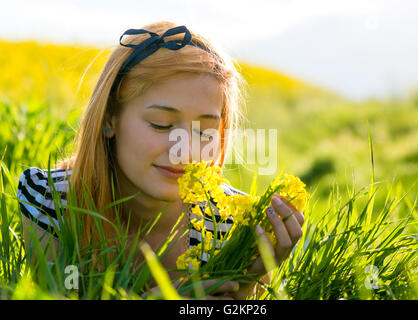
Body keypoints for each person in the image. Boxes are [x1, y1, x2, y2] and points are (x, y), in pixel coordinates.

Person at [17, 21, 305, 299]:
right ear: (109, 119)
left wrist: (244, 286)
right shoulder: (51, 200)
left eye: (205, 131)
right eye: (161, 124)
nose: (185, 150)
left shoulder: (232, 228)